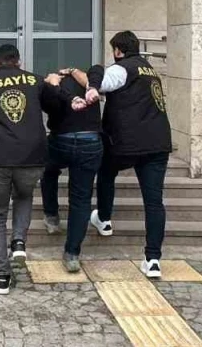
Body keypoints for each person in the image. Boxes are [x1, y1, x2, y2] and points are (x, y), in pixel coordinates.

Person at [0, 44, 66, 295]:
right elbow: (56, 108)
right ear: (19, 62)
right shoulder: (35, 81)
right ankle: (18, 242)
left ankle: (2, 276)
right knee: (24, 196)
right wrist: (52, 86)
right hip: (32, 156)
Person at [73, 31, 173, 278]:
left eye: (113, 50)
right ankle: (153, 260)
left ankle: (104, 219)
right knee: (154, 202)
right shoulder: (150, 70)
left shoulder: (122, 69)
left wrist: (89, 81)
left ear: (118, 50)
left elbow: (101, 80)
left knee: (106, 172)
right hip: (158, 143)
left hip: (127, 142)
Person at [39, 66, 107, 273]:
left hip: (61, 140)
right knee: (81, 199)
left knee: (48, 171)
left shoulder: (52, 87)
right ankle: (72, 254)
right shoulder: (90, 84)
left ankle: (51, 216)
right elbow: (96, 71)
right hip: (91, 142)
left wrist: (51, 86)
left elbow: (47, 108)